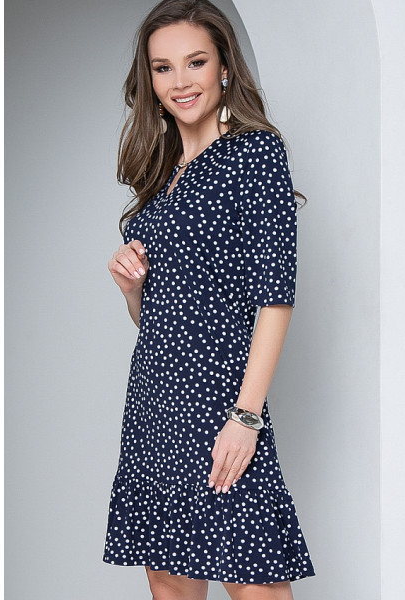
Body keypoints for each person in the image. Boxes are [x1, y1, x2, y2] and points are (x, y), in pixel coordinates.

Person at [103, 1, 315, 598]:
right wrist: (134, 291)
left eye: (195, 62)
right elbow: (159, 319)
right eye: (163, 67)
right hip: (154, 401)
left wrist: (246, 417)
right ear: (149, 79)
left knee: (253, 581)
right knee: (166, 575)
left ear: (224, 67)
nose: (180, 81)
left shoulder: (254, 155)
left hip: (220, 398)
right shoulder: (161, 176)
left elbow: (275, 298)